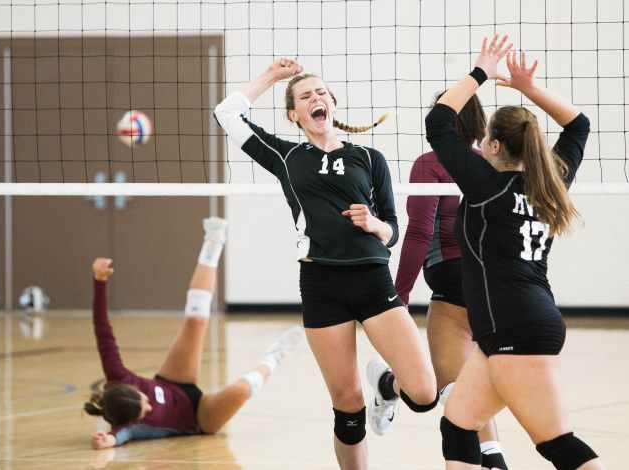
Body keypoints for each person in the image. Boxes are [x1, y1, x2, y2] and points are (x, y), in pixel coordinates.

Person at [214, 59, 437, 469]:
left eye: (321, 92)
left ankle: (385, 383)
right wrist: (273, 76)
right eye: (305, 96)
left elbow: (394, 230)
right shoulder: (285, 157)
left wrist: (374, 224)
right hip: (321, 285)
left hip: (372, 279)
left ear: (332, 104)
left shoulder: (370, 158)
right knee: (348, 409)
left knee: (424, 394)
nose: (316, 98)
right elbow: (226, 112)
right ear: (293, 115)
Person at [426, 36, 604, 469]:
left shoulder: (487, 186)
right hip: (513, 325)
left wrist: (481, 72)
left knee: (557, 444)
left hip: (516, 329)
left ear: (494, 147)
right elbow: (579, 126)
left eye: (486, 138)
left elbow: (439, 122)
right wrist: (529, 88)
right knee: (459, 426)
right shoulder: (551, 182)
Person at [84, 217, 302, 449]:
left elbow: (102, 329)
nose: (149, 408)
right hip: (199, 417)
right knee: (240, 391)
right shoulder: (128, 426)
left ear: (130, 388)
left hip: (173, 382)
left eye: (144, 401)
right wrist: (108, 440)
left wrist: (99, 281)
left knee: (196, 321)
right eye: (144, 412)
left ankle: (213, 240)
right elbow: (119, 436)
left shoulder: (117, 375)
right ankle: (275, 356)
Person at [395, 94, 508, 469]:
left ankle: (386, 385)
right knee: (469, 390)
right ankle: (494, 457)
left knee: (450, 394)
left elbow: (418, 233)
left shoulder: (431, 164)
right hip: (495, 285)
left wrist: (399, 296)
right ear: (479, 123)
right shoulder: (490, 166)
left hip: (453, 282)